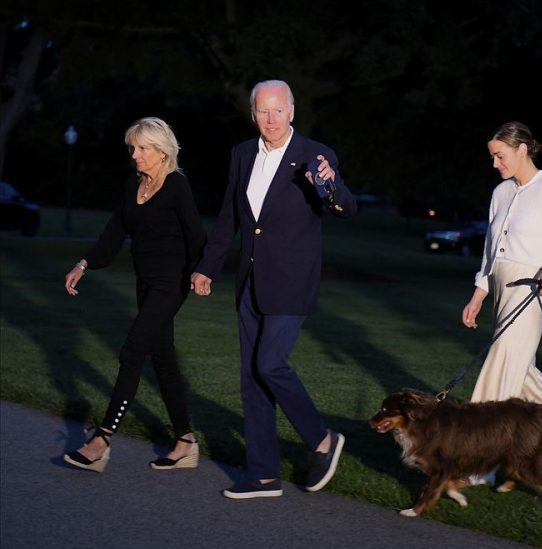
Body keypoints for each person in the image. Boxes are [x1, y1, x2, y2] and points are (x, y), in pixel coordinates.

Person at [190, 80, 356, 499]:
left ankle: (322, 440)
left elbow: (344, 206)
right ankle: (263, 475)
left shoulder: (314, 155)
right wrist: (208, 266)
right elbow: (230, 216)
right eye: (263, 111)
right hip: (249, 281)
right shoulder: (242, 154)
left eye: (278, 110)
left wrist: (329, 184)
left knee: (270, 363)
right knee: (252, 376)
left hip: (291, 282)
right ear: (253, 114)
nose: (271, 118)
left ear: (292, 111)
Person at [63, 117, 207, 472]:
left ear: (162, 152)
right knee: (163, 359)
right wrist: (84, 264)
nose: (135, 155)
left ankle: (102, 439)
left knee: (132, 350)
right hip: (145, 282)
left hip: (171, 284)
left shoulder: (177, 186)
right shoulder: (133, 185)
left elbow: (196, 236)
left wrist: (204, 272)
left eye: (143, 148)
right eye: (133, 148)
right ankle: (186, 442)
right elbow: (115, 232)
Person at [462, 121, 542, 483]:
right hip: (500, 290)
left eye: (499, 156)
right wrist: (479, 292)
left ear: (522, 150)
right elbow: (491, 252)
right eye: (492, 157)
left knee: (501, 364)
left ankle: (472, 463)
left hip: (532, 290)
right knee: (524, 377)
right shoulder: (501, 193)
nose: (495, 163)